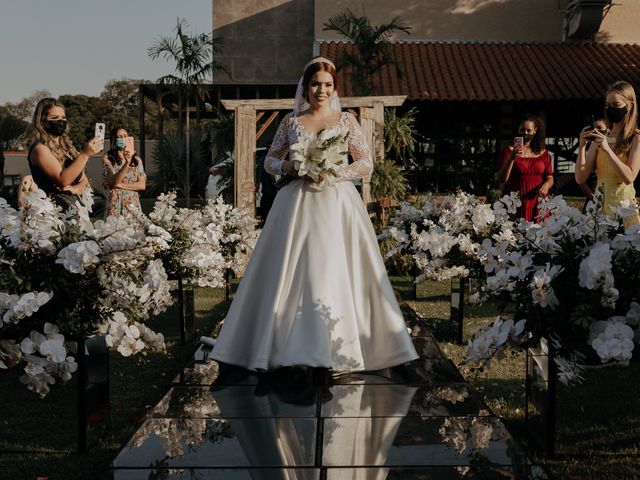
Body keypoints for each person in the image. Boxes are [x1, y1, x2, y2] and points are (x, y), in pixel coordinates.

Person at [209, 57, 418, 372]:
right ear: (306, 87)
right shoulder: (291, 123)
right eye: (316, 84)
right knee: (298, 267)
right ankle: (288, 342)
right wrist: (290, 166)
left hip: (337, 204)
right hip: (298, 202)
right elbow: (269, 161)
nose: (322, 89)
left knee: (335, 266)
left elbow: (365, 163)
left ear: (334, 89)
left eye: (328, 85)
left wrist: (335, 171)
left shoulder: (346, 120)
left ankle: (341, 344)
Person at [576, 81, 640, 226]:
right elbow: (581, 178)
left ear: (629, 105)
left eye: (616, 105)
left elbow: (629, 177)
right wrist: (581, 147)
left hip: (625, 209)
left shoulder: (635, 138)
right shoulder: (601, 137)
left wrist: (607, 149)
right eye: (608, 105)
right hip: (601, 209)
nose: (611, 109)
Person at [26, 98, 100, 211]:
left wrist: (75, 189)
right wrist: (85, 155)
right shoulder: (40, 149)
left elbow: (84, 181)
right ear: (41, 122)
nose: (61, 121)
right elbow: (62, 179)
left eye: (63, 118)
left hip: (77, 207)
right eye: (55, 118)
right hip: (55, 210)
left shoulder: (66, 148)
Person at [496, 114, 554, 222]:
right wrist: (512, 158)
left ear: (535, 131)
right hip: (515, 201)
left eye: (529, 130)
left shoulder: (544, 154)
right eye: (522, 130)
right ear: (517, 130)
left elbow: (549, 176)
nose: (525, 133)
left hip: (537, 201)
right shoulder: (508, 151)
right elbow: (501, 179)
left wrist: (546, 185)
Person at [102, 126, 146, 217]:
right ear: (114, 140)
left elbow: (142, 185)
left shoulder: (137, 160)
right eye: (120, 137)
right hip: (115, 203)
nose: (123, 139)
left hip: (132, 204)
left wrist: (119, 185)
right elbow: (113, 181)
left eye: (125, 136)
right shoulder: (108, 159)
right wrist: (127, 163)